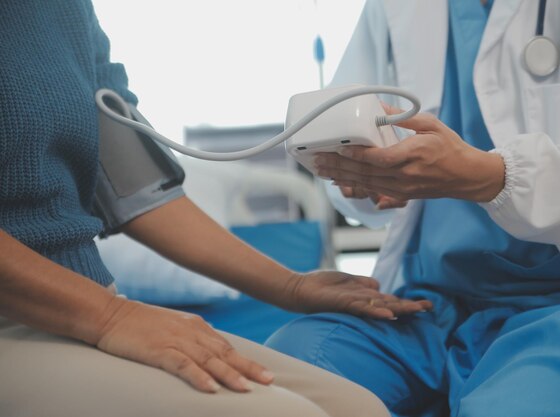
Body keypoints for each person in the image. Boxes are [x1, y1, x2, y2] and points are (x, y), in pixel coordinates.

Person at [0, 2, 434, 416]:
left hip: (82, 304)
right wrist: (111, 318)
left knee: (359, 408)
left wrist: (291, 287)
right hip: (30, 314)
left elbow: (135, 191)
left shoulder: (67, 11)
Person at [266, 1, 560, 416]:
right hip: (425, 303)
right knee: (285, 379)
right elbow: (343, 109)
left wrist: (491, 176)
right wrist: (361, 180)